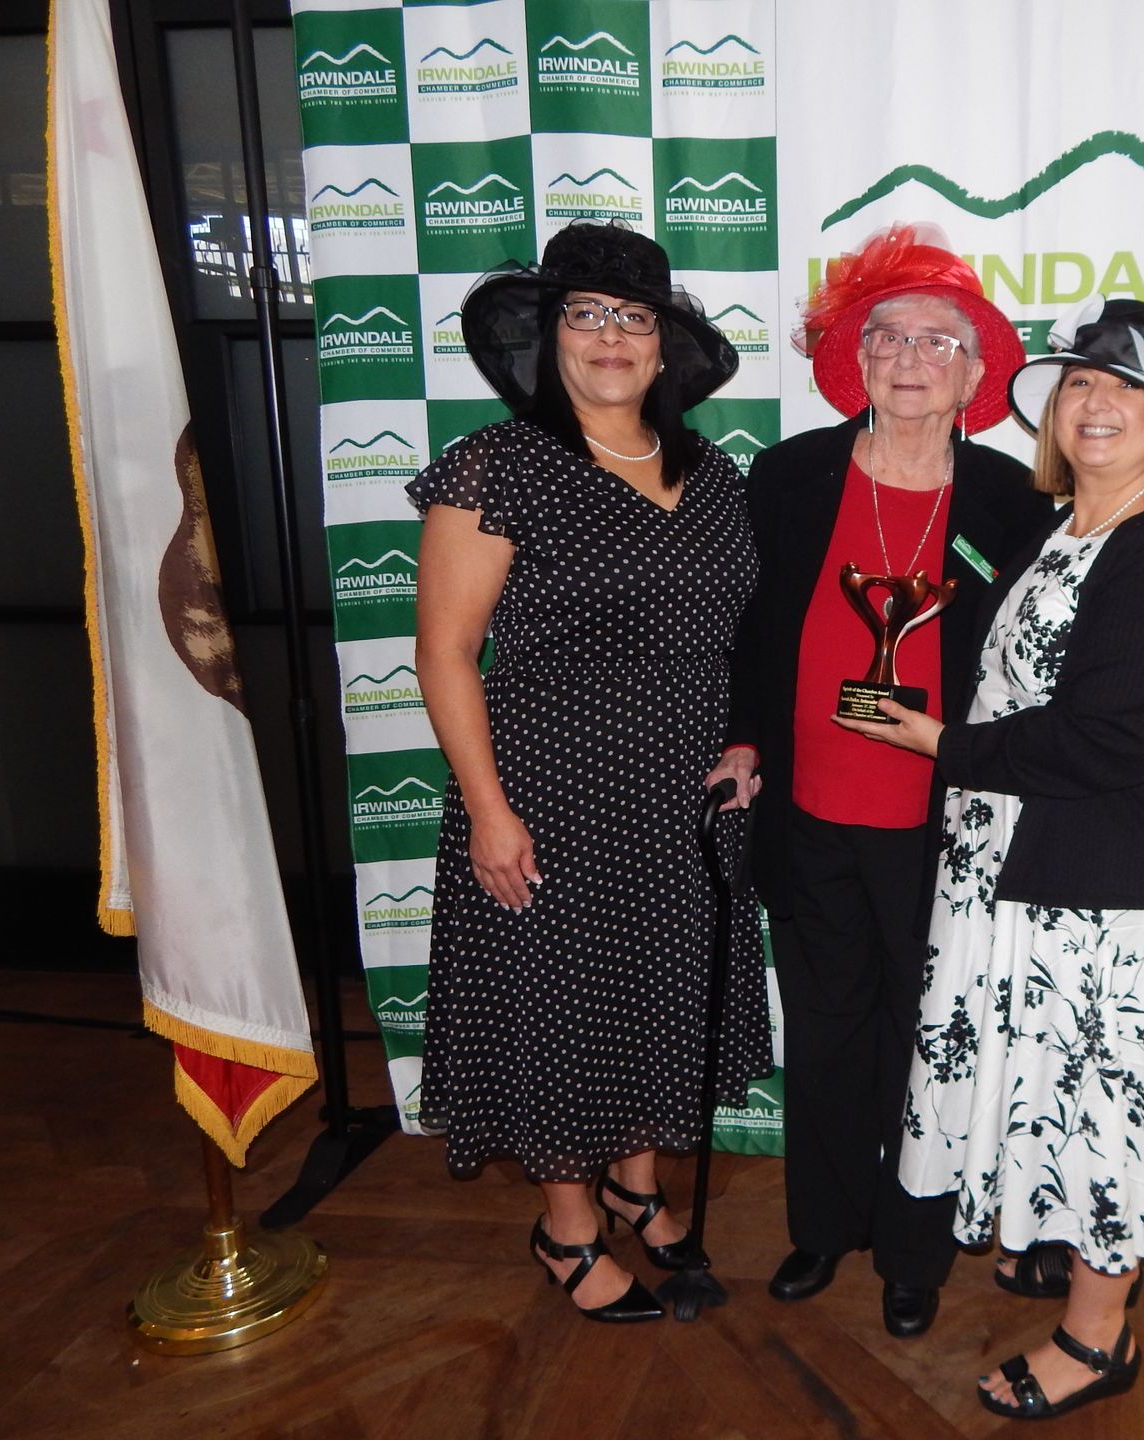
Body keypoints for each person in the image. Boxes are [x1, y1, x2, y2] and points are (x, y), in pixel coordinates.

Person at [839, 298, 1144, 1417]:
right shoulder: (1065, 534)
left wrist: (941, 743)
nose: (1096, 403)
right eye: (1080, 383)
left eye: (1127, 390)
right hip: (1032, 874)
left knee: (1107, 1109)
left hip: (1121, 895)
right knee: (1055, 1098)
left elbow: (1107, 735)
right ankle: (1066, 1264)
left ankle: (1098, 1339)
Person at [408, 220, 771, 1322]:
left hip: (685, 794)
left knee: (662, 993)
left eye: (634, 318)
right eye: (586, 315)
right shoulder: (497, 464)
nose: (612, 338)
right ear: (548, 338)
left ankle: (638, 1183)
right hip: (548, 787)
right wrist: (487, 810)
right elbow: (444, 651)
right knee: (563, 1009)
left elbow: (744, 634)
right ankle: (566, 1230)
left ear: (666, 349)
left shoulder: (714, 474)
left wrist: (745, 740)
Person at [710, 225, 1052, 1337]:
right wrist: (750, 738)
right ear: (856, 360)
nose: (910, 359)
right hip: (810, 812)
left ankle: (914, 1252)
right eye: (888, 337)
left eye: (937, 341)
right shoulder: (793, 474)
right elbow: (752, 633)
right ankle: (823, 1227)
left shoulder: (1010, 499)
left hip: (940, 828)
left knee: (928, 1038)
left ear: (972, 372)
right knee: (826, 1027)